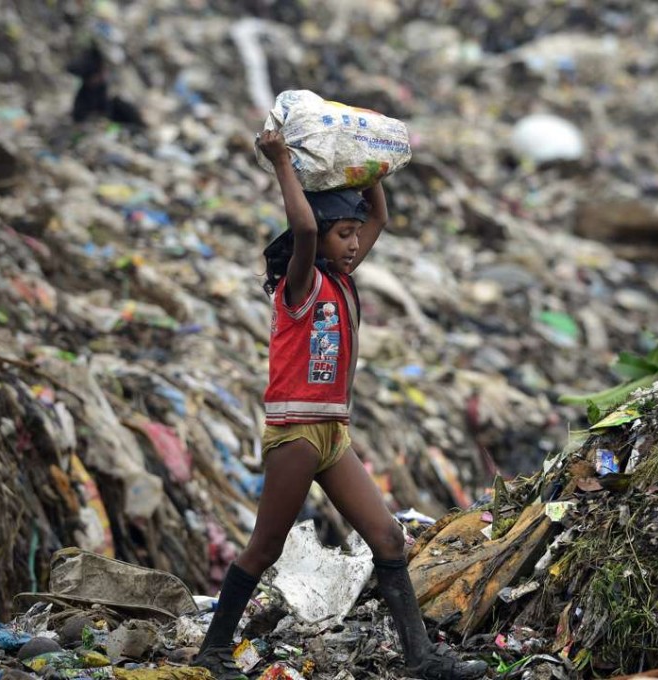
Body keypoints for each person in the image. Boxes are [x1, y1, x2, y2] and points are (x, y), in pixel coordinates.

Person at [192, 129, 488, 680]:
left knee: (387, 536)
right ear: (321, 239)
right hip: (297, 431)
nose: (354, 243)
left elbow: (379, 219)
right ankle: (211, 652)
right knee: (265, 546)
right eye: (343, 235)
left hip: (333, 433)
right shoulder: (299, 285)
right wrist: (282, 159)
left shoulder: (340, 278)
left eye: (355, 236)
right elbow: (304, 226)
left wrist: (368, 168)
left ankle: (420, 658)